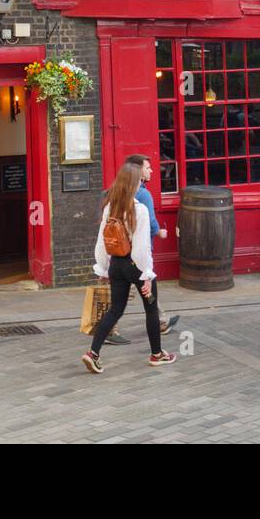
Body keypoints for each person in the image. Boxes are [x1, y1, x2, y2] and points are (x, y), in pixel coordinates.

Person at [81, 159, 176, 373]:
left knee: (115, 309)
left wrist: (103, 269)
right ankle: (157, 354)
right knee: (151, 309)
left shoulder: (110, 208)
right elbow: (142, 248)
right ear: (134, 183)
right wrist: (148, 276)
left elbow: (102, 241)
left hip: (116, 264)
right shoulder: (139, 210)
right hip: (135, 266)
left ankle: (93, 353)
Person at [103, 153, 182, 343]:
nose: (151, 170)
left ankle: (161, 321)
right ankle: (109, 329)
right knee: (140, 289)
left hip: (118, 251)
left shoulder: (114, 190)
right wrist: (160, 232)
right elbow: (150, 222)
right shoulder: (143, 194)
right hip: (136, 253)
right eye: (147, 167)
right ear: (138, 170)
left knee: (131, 291)